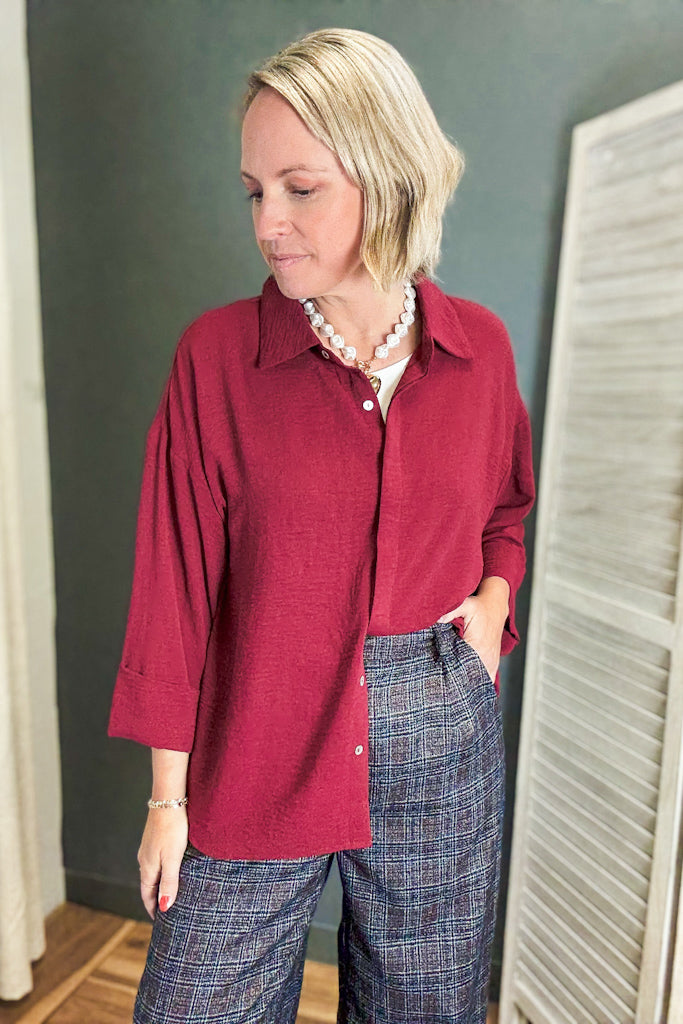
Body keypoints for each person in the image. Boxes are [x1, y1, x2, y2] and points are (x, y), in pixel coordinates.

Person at [107, 26, 535, 1024]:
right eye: (253, 191)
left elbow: (505, 507)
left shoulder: (480, 352)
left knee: (424, 1004)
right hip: (260, 720)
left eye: (300, 188)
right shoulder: (216, 359)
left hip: (436, 720)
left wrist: (491, 608)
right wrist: (167, 799)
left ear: (387, 176)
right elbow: (173, 589)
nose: (268, 222)